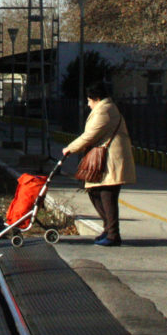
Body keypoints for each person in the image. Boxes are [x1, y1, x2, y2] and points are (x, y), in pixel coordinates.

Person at [61, 82, 135, 247]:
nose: (88, 104)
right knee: (95, 191)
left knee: (107, 196)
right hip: (105, 161)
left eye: (89, 100)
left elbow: (90, 135)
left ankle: (113, 235)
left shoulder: (105, 111)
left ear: (96, 98)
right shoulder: (106, 108)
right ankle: (108, 229)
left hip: (110, 162)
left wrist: (69, 149)